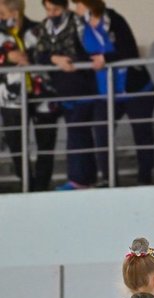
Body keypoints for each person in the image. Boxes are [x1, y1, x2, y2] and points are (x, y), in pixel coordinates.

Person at [72, 0, 154, 185]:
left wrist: (106, 58)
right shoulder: (79, 26)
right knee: (101, 133)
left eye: (79, 4)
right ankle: (110, 180)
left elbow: (129, 51)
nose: (76, 8)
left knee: (142, 134)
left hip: (134, 89)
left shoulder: (114, 19)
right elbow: (80, 54)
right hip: (105, 92)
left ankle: (145, 179)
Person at [32, 0, 98, 190]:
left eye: (56, 9)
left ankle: (78, 179)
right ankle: (86, 179)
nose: (52, 13)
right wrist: (55, 59)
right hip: (60, 88)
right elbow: (39, 53)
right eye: (48, 9)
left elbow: (89, 51)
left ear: (65, 7)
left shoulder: (78, 23)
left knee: (77, 132)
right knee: (76, 131)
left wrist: (70, 60)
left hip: (82, 86)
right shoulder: (45, 26)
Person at [0, 0, 58, 191]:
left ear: (16, 11)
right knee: (16, 145)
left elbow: (52, 54)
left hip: (43, 95)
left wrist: (30, 57)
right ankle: (26, 184)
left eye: (2, 11)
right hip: (10, 99)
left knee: (46, 143)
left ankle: (41, 186)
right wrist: (7, 57)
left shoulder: (38, 29)